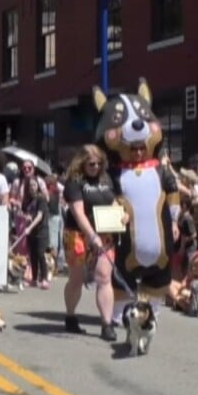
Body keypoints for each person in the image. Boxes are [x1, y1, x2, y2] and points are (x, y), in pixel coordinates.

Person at [61, 145, 120, 339]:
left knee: (104, 277)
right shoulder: (74, 182)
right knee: (76, 279)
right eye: (91, 163)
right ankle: (70, 316)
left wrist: (122, 215)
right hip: (78, 234)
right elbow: (78, 213)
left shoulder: (106, 179)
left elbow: (112, 202)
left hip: (105, 233)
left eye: (99, 163)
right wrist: (92, 236)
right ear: (82, 163)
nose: (95, 167)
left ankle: (106, 324)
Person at [20, 178, 50, 289]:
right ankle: (34, 279)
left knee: (40, 254)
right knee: (33, 256)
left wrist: (30, 227)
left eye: (34, 185)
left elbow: (39, 216)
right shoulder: (28, 200)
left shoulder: (41, 199)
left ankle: (45, 279)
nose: (32, 187)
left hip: (41, 230)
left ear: (37, 186)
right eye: (30, 185)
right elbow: (25, 213)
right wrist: (26, 217)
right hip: (31, 232)